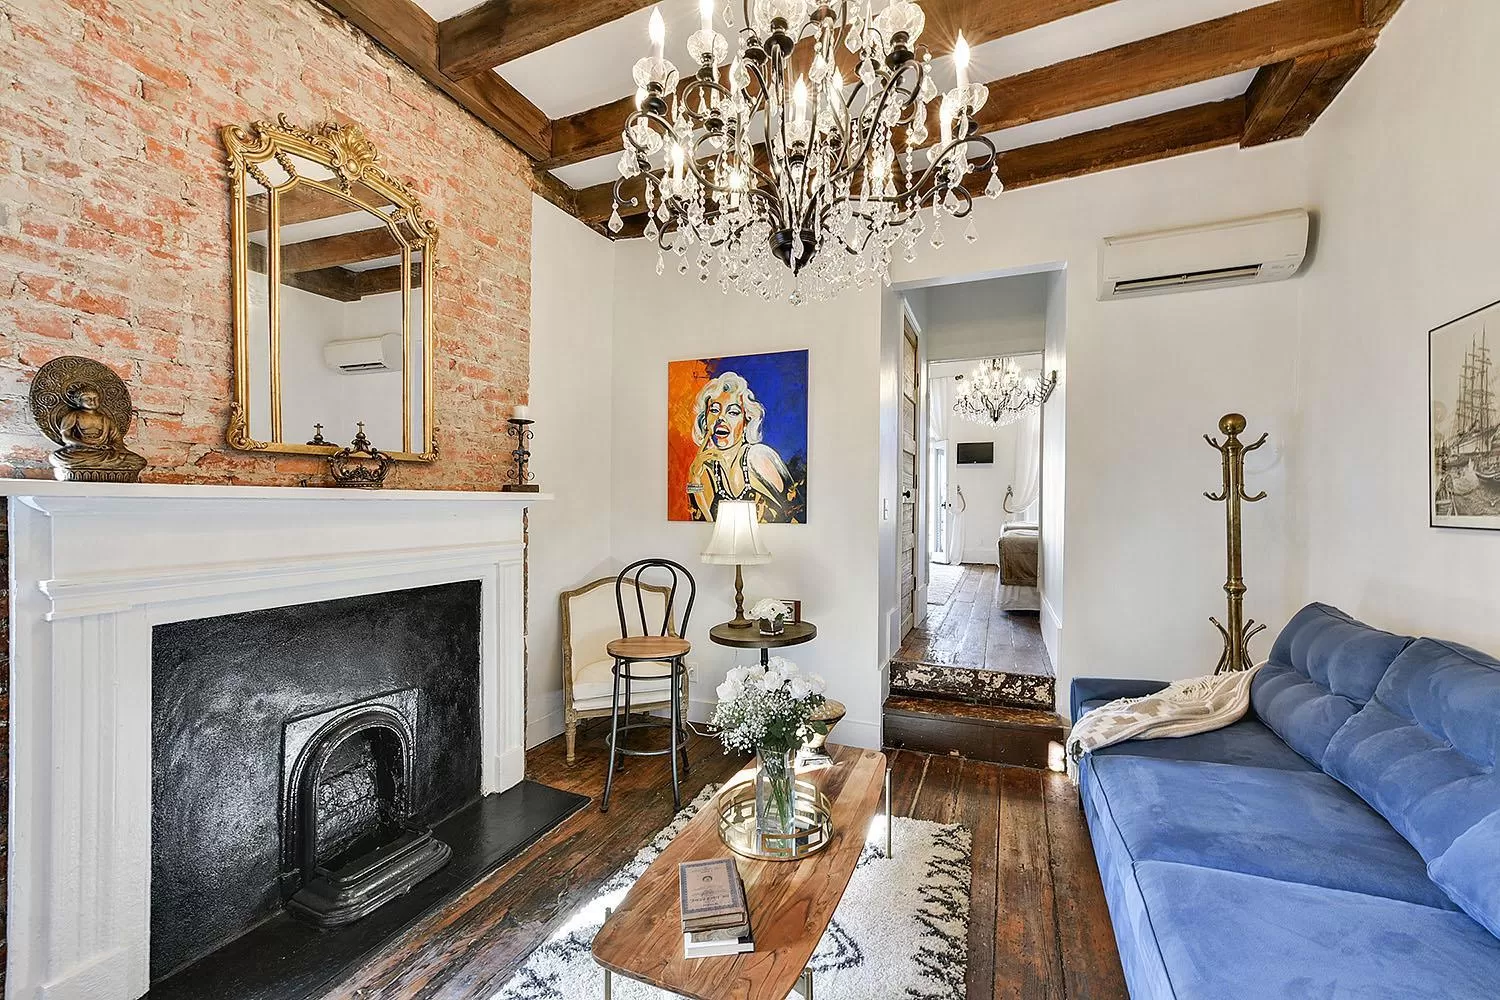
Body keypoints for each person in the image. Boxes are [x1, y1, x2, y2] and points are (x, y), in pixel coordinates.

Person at [686, 372, 793, 522]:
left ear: (746, 422)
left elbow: (795, 509)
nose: (720, 418)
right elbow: (704, 524)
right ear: (705, 420)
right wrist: (694, 479)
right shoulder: (706, 470)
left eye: (733, 412)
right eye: (714, 410)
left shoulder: (757, 457)